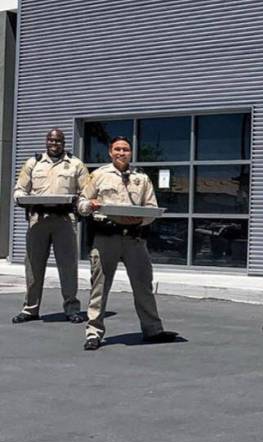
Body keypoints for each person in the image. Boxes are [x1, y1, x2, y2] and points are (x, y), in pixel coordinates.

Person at [76, 136, 178, 351]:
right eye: (117, 149)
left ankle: (152, 329)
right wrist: (91, 205)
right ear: (110, 153)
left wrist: (141, 219)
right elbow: (81, 203)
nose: (122, 153)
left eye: (126, 149)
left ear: (131, 153)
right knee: (99, 287)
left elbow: (152, 208)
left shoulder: (141, 178)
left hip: (134, 239)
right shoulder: (98, 176)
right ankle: (93, 333)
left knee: (143, 286)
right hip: (106, 238)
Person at [11, 128, 90, 324]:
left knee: (68, 266)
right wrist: (21, 199)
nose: (55, 144)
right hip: (38, 220)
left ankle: (71, 308)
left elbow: (86, 191)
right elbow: (20, 189)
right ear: (46, 142)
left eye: (59, 141)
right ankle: (30, 309)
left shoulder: (75, 164)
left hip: (64, 221)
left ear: (64, 143)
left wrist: (82, 205)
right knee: (33, 266)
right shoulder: (33, 162)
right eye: (51, 140)